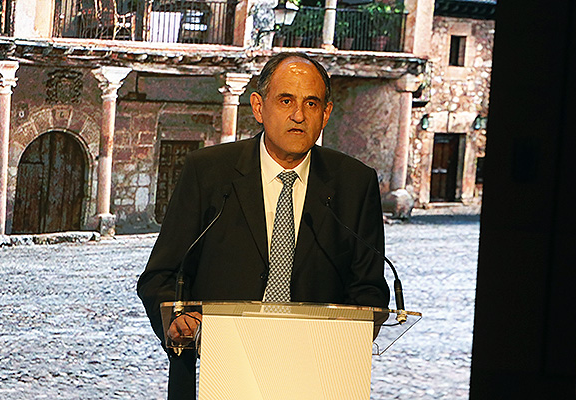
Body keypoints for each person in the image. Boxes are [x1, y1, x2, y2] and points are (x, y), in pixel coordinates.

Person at [137, 52, 390, 400]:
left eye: (311, 103)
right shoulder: (208, 172)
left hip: (315, 378)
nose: (299, 115)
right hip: (217, 373)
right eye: (286, 101)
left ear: (326, 114)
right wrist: (177, 319)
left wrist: (348, 335)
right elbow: (160, 277)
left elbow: (369, 290)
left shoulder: (354, 183)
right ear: (258, 107)